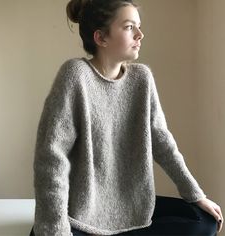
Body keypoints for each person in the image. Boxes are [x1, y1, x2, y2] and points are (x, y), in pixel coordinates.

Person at [30, 0, 223, 235]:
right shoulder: (75, 76)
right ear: (101, 38)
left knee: (205, 221)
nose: (140, 35)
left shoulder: (142, 79)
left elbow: (163, 143)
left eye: (138, 26)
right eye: (130, 27)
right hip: (81, 214)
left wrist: (196, 195)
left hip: (134, 209)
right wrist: (56, 228)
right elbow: (51, 157)